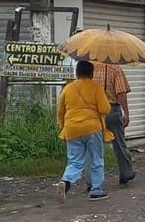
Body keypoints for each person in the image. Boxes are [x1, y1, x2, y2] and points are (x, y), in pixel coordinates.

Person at [55, 60, 111, 202]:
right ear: (92, 73)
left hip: (72, 129)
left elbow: (60, 111)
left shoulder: (68, 88)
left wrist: (63, 128)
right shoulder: (96, 87)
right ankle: (96, 191)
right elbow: (105, 109)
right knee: (96, 159)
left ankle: (66, 182)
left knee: (75, 161)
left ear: (77, 73)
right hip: (92, 128)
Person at [89, 62, 136, 185]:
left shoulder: (91, 67)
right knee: (119, 144)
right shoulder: (116, 69)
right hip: (112, 110)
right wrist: (126, 112)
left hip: (94, 111)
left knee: (94, 147)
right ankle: (126, 173)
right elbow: (121, 93)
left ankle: (92, 181)